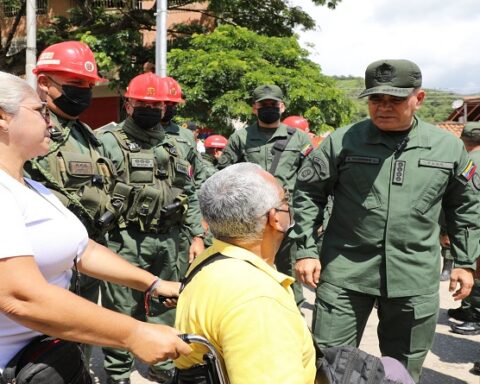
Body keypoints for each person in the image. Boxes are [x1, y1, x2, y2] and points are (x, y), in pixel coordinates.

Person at [292, 59, 480, 383]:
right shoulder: (342, 141)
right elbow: (308, 193)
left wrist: (464, 261)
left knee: (404, 369)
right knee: (329, 364)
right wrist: (306, 249)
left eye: (395, 100)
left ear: (418, 99)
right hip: (345, 270)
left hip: (414, 274)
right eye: (376, 99)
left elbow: (464, 206)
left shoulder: (447, 148)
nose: (383, 107)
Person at [0, 71, 191, 373]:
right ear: (3, 117)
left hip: (43, 358)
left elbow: (81, 249)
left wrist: (153, 283)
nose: (50, 122)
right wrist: (133, 333)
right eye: (39, 111)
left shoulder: (30, 187)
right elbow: (20, 297)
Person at [96, 72, 205, 384]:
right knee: (121, 309)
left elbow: (190, 191)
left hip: (171, 240)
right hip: (125, 239)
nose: (150, 109)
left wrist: (197, 234)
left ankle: (163, 367)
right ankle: (118, 375)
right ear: (128, 104)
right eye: (142, 103)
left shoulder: (176, 146)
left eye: (155, 105)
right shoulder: (107, 143)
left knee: (167, 306)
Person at [174, 162, 316, 383]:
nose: (288, 207)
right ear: (274, 218)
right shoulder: (258, 301)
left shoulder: (208, 260)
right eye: (285, 201)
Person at [23, 41, 114, 314]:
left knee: (81, 347)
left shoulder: (86, 134)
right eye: (75, 82)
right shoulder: (28, 128)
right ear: (43, 82)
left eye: (89, 85)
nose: (84, 91)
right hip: (46, 264)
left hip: (87, 257)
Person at [217, 84, 313, 305]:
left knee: (290, 272)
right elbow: (224, 176)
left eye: (273, 104)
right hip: (251, 218)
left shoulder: (299, 139)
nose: (269, 108)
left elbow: (312, 181)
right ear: (254, 108)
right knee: (251, 269)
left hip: (287, 217)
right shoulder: (240, 138)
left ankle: (293, 313)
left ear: (282, 107)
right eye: (263, 105)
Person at [449, 121, 480, 334]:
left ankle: (473, 314)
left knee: (475, 271)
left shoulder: (469, 163)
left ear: (463, 139)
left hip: (474, 226)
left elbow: (461, 197)